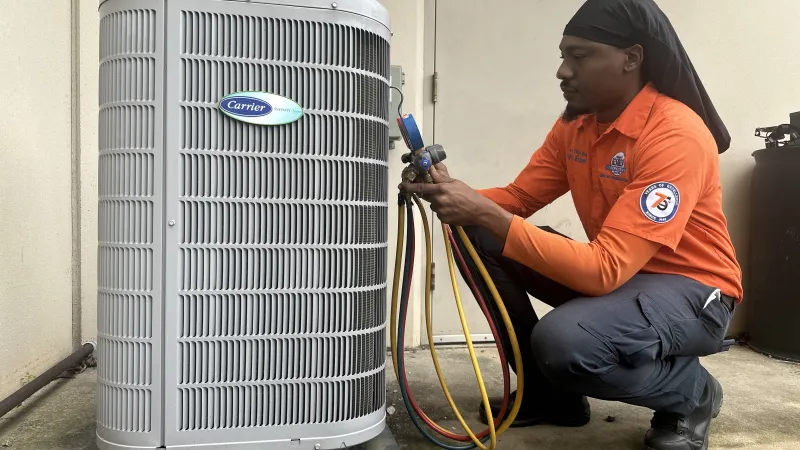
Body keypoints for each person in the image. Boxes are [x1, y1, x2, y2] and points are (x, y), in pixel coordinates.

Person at [402, 0, 742, 449]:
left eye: (579, 56)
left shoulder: (675, 134)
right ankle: (548, 396)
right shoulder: (576, 127)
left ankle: (692, 392)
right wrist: (451, 193)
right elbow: (520, 199)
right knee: (476, 232)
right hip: (627, 278)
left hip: (695, 292)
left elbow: (603, 271)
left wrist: (482, 210)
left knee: (565, 343)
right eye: (563, 56)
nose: (563, 71)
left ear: (632, 58)